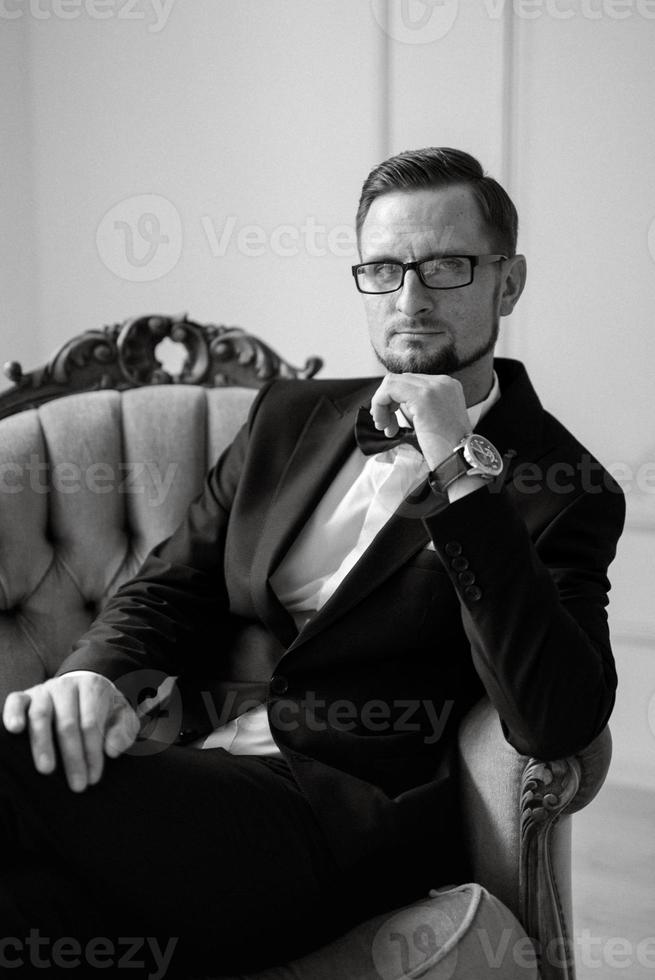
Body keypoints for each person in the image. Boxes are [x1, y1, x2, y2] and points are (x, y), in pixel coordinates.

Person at [0, 147, 624, 976]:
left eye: (445, 266)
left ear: (506, 284)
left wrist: (454, 470)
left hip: (338, 826)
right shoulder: (287, 416)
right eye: (384, 269)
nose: (410, 299)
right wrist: (96, 675)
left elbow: (555, 717)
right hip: (186, 770)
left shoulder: (566, 488)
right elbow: (171, 583)